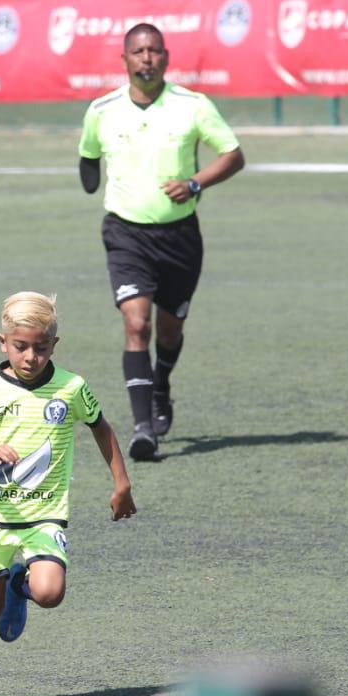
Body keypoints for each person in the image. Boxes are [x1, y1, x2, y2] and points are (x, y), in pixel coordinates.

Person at [78, 23, 245, 460]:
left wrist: (194, 183)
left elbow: (232, 154)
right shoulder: (102, 109)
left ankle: (161, 385)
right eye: (138, 51)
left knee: (169, 331)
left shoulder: (193, 106)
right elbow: (88, 154)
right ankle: (142, 429)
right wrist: (90, 175)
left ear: (166, 58)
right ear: (125, 60)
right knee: (137, 325)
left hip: (180, 238)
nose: (146, 58)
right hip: (125, 232)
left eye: (154, 51)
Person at [0, 292, 135, 684]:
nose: (31, 357)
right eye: (21, 347)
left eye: (41, 347)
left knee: (51, 593)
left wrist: (121, 484)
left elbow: (101, 428)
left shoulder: (71, 388)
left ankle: (19, 586)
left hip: (45, 513)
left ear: (55, 344)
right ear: (3, 342)